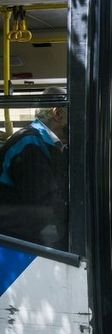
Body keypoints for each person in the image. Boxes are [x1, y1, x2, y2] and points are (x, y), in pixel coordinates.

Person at [0, 87, 69, 250]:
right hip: (15, 238)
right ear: (57, 113)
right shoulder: (29, 145)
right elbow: (45, 203)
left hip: (27, 229)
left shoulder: (48, 143)